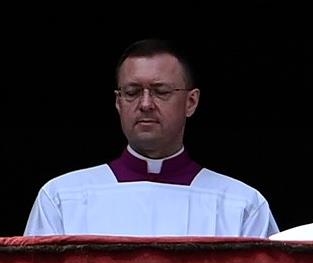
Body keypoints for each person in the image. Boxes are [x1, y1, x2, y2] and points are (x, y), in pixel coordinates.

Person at [24, 38, 278, 237]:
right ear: (118, 102)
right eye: (132, 92)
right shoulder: (62, 198)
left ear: (191, 102)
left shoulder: (241, 205)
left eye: (161, 91)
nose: (145, 104)